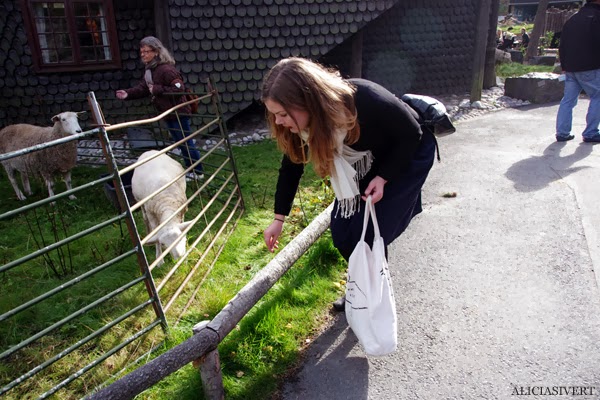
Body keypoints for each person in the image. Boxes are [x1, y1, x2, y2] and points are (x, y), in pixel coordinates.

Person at [261, 57, 436, 310]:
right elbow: (292, 165)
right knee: (344, 234)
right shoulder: (303, 125)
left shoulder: (363, 98)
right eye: (274, 115)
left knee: (371, 233)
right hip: (369, 158)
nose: (278, 122)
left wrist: (384, 177)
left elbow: (411, 134)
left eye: (283, 114)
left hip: (407, 152)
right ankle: (364, 287)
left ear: (308, 101)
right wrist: (279, 219)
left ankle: (372, 296)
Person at [116, 36, 204, 179]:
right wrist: (127, 94)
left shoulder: (166, 70)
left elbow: (179, 89)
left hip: (177, 112)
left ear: (156, 52)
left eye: (146, 51)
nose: (143, 54)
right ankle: (191, 169)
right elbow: (144, 88)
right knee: (181, 142)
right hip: (168, 113)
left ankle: (197, 171)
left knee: (185, 142)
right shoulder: (150, 70)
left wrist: (157, 89)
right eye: (141, 52)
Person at [555, 0, 600, 142]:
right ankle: (591, 132)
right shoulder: (597, 18)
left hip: (570, 67)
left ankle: (562, 133)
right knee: (598, 97)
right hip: (590, 66)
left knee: (568, 100)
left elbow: (562, 44)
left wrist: (564, 65)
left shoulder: (573, 18)